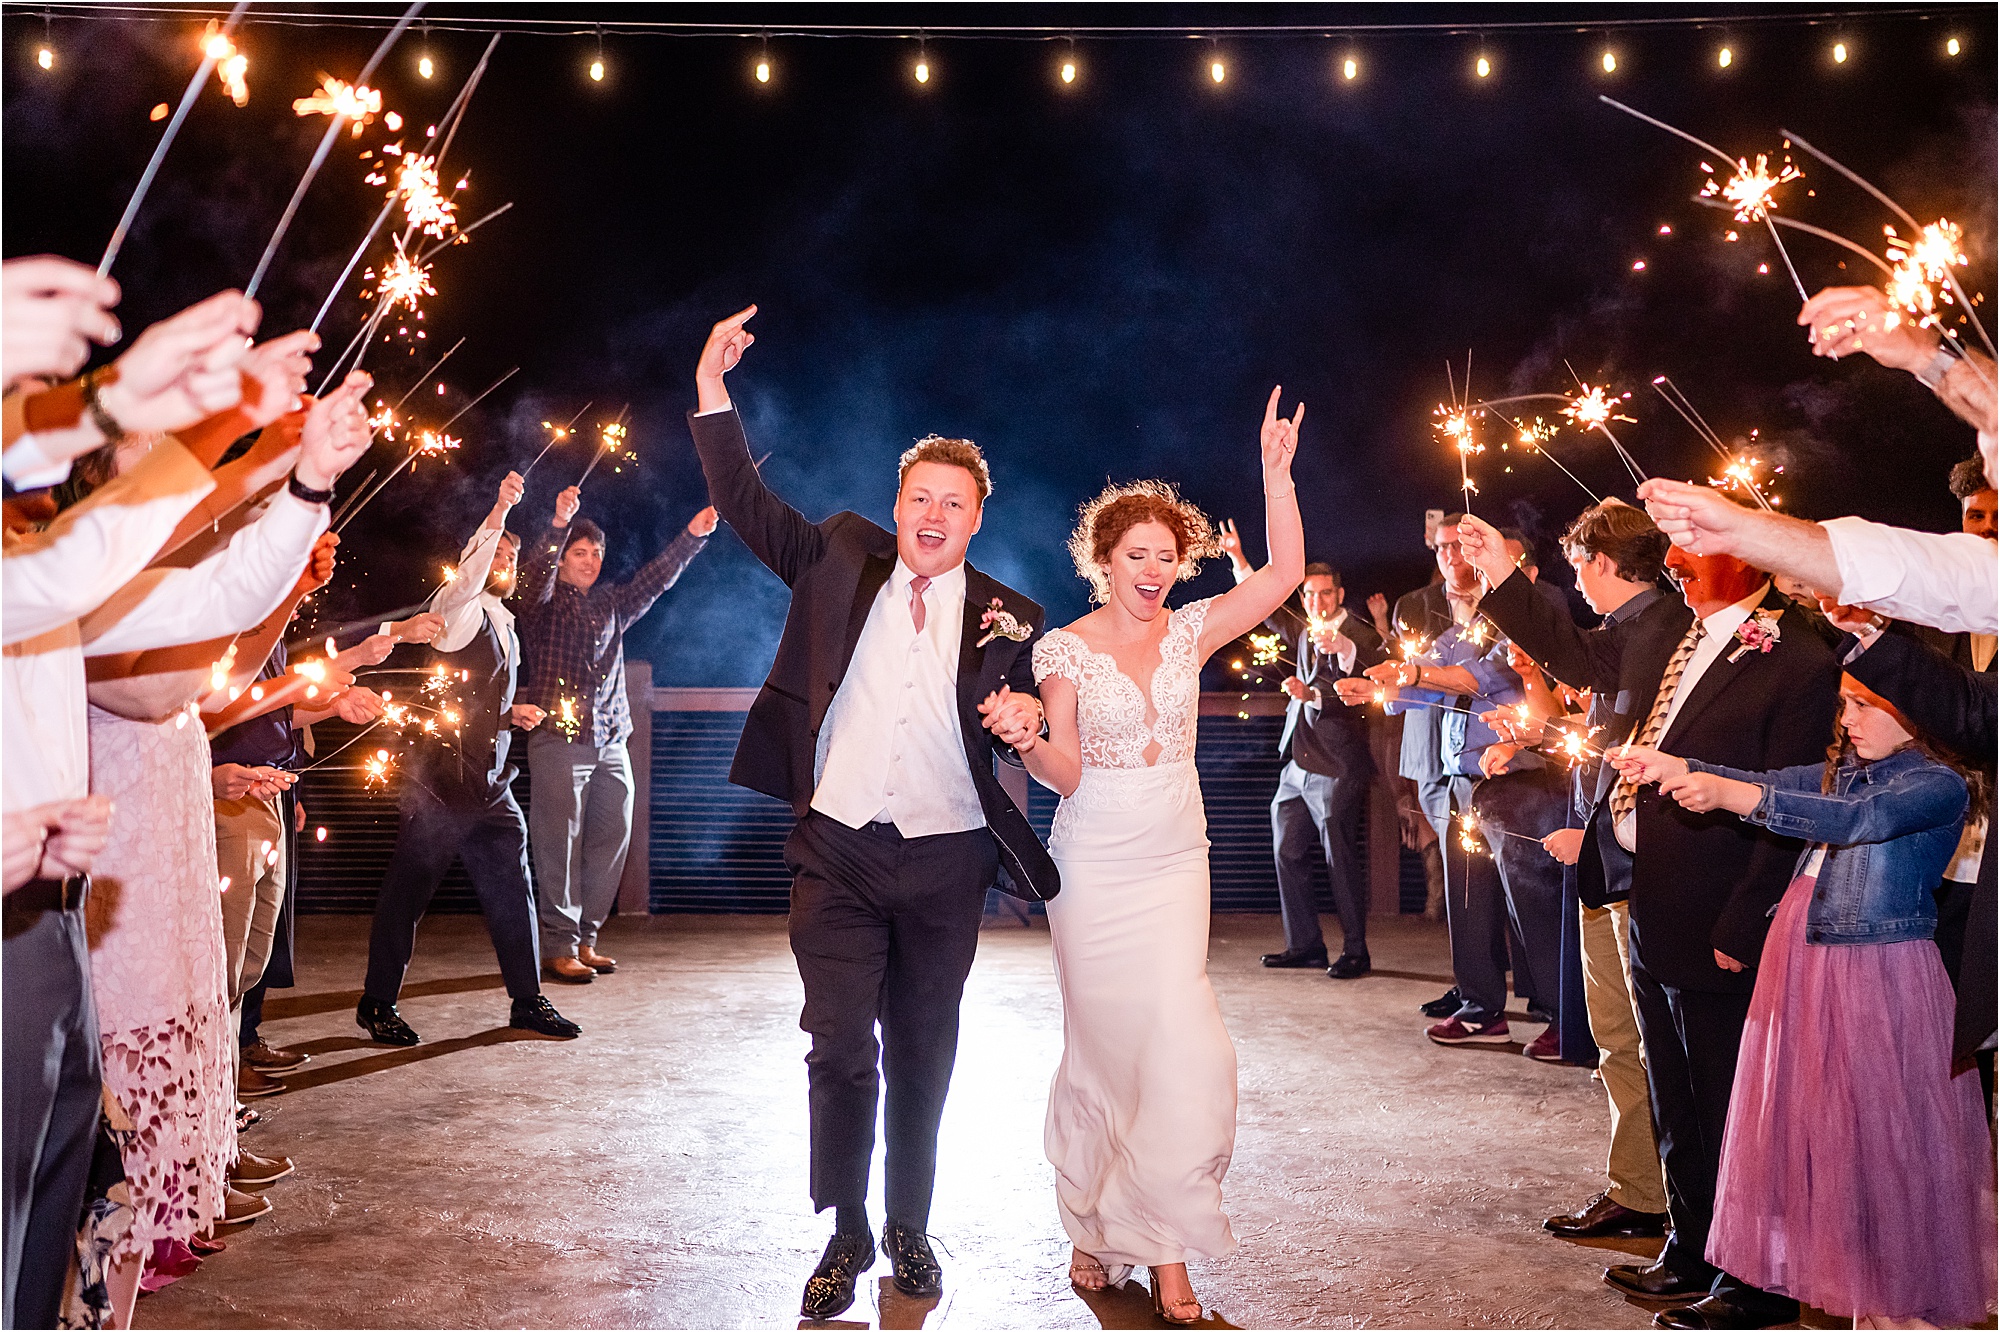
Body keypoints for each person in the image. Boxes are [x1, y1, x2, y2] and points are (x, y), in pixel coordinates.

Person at [686, 306, 1055, 1320]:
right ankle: (844, 1228)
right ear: (896, 506)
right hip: (837, 850)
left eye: (954, 502)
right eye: (918, 496)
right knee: (839, 1045)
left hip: (946, 864)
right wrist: (714, 392)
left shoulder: (1012, 615)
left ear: (976, 517)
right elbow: (744, 500)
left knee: (925, 1052)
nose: (933, 513)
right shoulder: (839, 558)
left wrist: (1022, 713)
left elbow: (1035, 717)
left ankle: (908, 1228)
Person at [1459, 511, 1841, 1330]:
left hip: (1718, 909)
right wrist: (1504, 578)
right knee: (1675, 1092)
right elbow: (1586, 657)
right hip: (1653, 896)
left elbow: (1796, 796)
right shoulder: (1685, 632)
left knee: (1730, 1098)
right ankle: (1695, 1248)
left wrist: (1746, 920)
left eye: (1690, 547)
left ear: (1749, 556)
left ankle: (1757, 1284)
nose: (1671, 562)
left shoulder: (1797, 657)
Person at [1005, 387, 1304, 1325]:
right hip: (1092, 867)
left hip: (1177, 859)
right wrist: (1022, 737)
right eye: (1137, 556)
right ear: (1104, 561)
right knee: (1107, 1052)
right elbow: (1063, 770)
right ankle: (1094, 1224)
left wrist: (1273, 474)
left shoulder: (1191, 629)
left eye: (1168, 559)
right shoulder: (1064, 647)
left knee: (1183, 1044)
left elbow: (1284, 573)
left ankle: (1169, 1254)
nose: (1155, 571)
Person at [1611, 677, 1994, 1328]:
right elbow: (1774, 780)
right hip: (1808, 967)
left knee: (1881, 1149)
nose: (1850, 718)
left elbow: (1854, 822)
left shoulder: (1937, 783)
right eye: (1846, 704)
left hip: (1876, 978)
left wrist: (1730, 796)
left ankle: (1898, 1310)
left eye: (1868, 704)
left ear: (1919, 710)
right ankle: (1864, 1308)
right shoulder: (1848, 770)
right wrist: (1679, 767)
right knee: (1827, 1145)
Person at [1488, 500, 1672, 1240]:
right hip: (1608, 857)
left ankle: (1662, 1199)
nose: (1579, 585)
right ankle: (1639, 1188)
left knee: (1641, 1039)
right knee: (1617, 1036)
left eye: (1578, 567)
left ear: (1600, 563)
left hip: (1641, 868)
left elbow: (1581, 665)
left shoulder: (1663, 631)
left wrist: (1594, 831)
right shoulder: (1635, 632)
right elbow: (1581, 666)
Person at [359, 471, 582, 1044]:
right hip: (442, 785)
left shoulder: (505, 621)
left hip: (492, 781)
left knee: (514, 892)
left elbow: (472, 694)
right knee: (408, 894)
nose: (506, 560)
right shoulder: (458, 613)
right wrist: (501, 509)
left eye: (512, 555)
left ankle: (527, 1000)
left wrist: (510, 716)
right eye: (498, 553)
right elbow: (464, 582)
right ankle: (377, 1003)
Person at [517, 482, 716, 982]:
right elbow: (533, 579)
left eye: (595, 553)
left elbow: (656, 579)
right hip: (559, 737)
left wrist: (692, 535)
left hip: (610, 738)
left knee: (613, 835)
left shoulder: (610, 603)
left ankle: (586, 939)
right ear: (563, 560)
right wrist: (558, 525)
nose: (588, 561)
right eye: (578, 553)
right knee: (557, 842)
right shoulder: (541, 605)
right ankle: (559, 943)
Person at [1218, 538, 1383, 978]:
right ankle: (1305, 945)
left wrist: (1321, 684)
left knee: (1340, 859)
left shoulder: (1362, 636)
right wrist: (1239, 559)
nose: (1315, 601)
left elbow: (1371, 686)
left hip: (1339, 764)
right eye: (1308, 594)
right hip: (1296, 763)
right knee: (1287, 851)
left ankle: (1355, 951)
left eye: (1324, 593)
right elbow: (1268, 609)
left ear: (1340, 595)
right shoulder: (1305, 627)